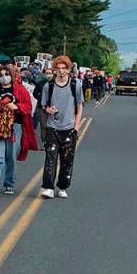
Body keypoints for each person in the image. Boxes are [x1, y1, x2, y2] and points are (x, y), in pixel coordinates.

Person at [0, 64, 34, 196]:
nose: (4, 77)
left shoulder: (20, 90)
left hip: (14, 127)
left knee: (11, 157)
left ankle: (9, 184)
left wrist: (16, 106)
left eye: (6, 74)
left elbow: (28, 107)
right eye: (0, 75)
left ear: (12, 76)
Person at [40, 55, 84, 199]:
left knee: (67, 160)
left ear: (68, 69)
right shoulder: (49, 86)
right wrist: (48, 110)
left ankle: (63, 186)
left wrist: (76, 127)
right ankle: (48, 187)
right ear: (54, 70)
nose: (61, 71)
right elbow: (43, 105)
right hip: (53, 127)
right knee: (50, 158)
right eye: (58, 69)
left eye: (64, 68)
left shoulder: (75, 85)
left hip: (69, 128)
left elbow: (79, 107)